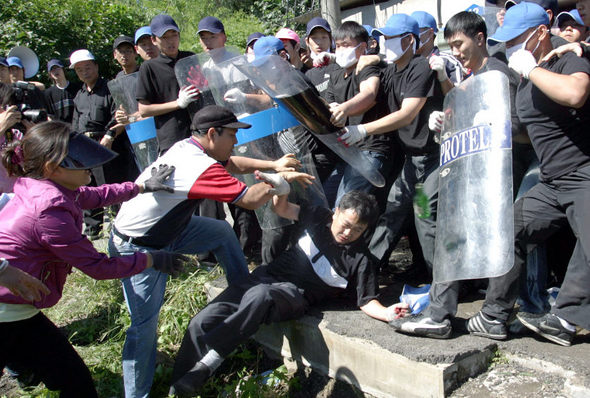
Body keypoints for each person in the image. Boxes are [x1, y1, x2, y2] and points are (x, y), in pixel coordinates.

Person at [110, 104, 313, 397]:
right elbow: (251, 200)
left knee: (219, 231)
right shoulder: (198, 166)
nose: (235, 141)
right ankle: (136, 394)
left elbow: (231, 163)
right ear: (212, 133)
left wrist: (273, 165)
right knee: (143, 327)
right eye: (232, 135)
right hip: (140, 246)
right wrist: (281, 182)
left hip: (169, 230)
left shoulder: (191, 148)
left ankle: (242, 293)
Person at [0, 121, 183, 397]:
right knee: (76, 383)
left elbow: (93, 195)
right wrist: (150, 260)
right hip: (7, 312)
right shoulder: (49, 211)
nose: (88, 166)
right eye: (78, 161)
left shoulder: (44, 188)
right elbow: (97, 267)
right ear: (52, 168)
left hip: (16, 307)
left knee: (73, 381)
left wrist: (141, 187)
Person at [168, 190, 410, 397]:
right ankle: (178, 385)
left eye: (357, 230)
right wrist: (282, 187)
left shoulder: (361, 260)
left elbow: (366, 301)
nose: (349, 233)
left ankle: (211, 359)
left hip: (294, 296)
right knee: (201, 322)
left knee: (261, 295)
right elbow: (281, 207)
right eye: (346, 225)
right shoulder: (317, 217)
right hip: (265, 276)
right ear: (336, 212)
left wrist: (388, 313)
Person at [390, 10, 533, 339]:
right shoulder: (469, 80)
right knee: (432, 212)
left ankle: (456, 310)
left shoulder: (500, 74)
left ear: (480, 38)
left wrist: (494, 124)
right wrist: (445, 122)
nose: (454, 51)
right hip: (465, 169)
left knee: (480, 232)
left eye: (459, 44)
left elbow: (522, 130)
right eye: (450, 46)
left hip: (499, 174)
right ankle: (441, 299)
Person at [343, 14, 443, 269]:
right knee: (394, 211)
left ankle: (441, 284)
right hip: (411, 160)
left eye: (390, 38)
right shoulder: (390, 72)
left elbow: (407, 113)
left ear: (409, 40)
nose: (384, 42)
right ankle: (367, 271)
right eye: (383, 38)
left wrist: (363, 130)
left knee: (424, 216)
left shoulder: (421, 67)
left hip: (432, 159)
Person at [326, 21, 397, 210]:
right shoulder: (335, 75)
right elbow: (329, 104)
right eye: (338, 45)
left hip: (371, 150)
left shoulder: (367, 67)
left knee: (344, 208)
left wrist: (344, 109)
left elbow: (369, 94)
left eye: (347, 45)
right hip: (347, 152)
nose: (341, 50)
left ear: (363, 47)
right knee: (325, 202)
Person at [70, 48, 139, 239]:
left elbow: (121, 116)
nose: (84, 71)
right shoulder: (79, 95)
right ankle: (93, 231)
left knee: (113, 188)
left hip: (109, 144)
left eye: (87, 67)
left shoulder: (111, 88)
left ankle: (123, 230)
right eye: (79, 69)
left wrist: (109, 136)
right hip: (85, 145)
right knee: (88, 187)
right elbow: (76, 123)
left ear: (96, 66)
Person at [137, 14, 198, 155]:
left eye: (174, 35)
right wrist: (178, 103)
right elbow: (144, 110)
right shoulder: (149, 67)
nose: (171, 41)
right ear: (154, 40)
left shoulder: (190, 58)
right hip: (173, 138)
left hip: (200, 132)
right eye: (164, 37)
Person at [410, 10, 464, 86]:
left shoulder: (448, 62)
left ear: (430, 33)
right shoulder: (408, 63)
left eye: (415, 32)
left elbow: (458, 94)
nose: (411, 37)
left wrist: (443, 77)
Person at [44, 59, 81, 124]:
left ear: (63, 70)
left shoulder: (78, 88)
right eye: (52, 69)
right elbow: (49, 116)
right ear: (50, 74)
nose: (55, 71)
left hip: (77, 127)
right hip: (60, 130)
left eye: (57, 68)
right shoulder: (48, 94)